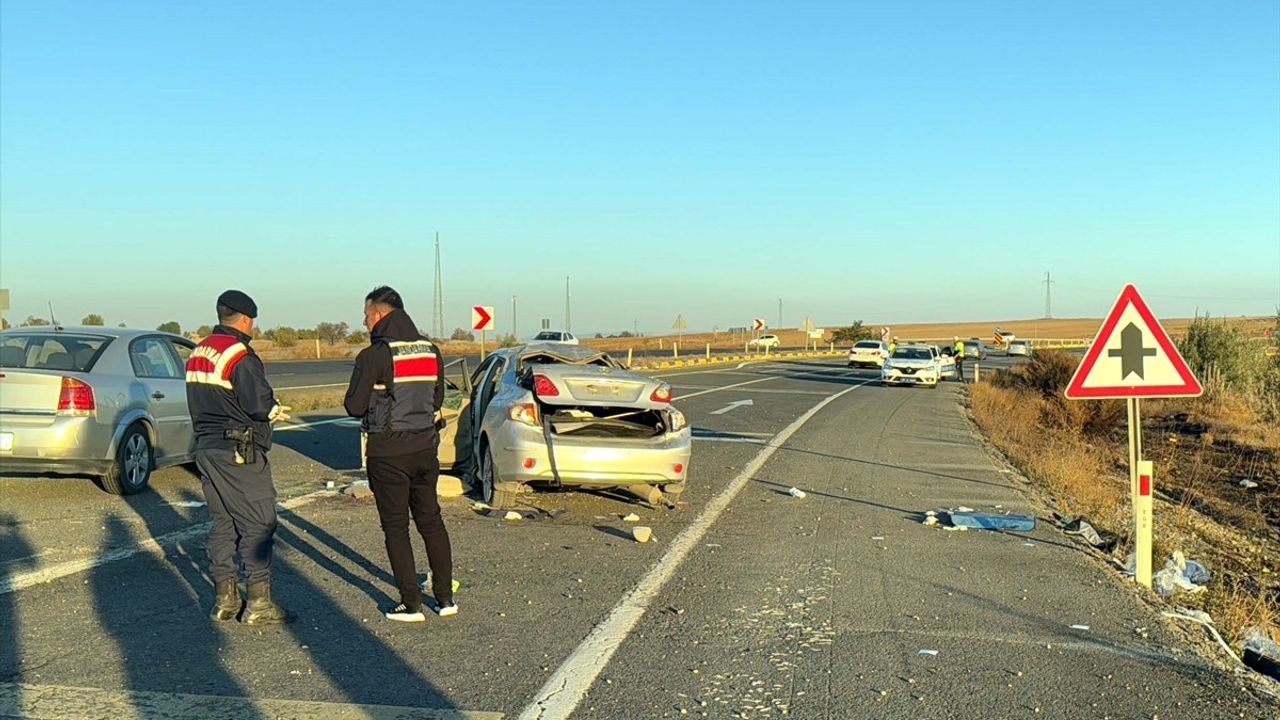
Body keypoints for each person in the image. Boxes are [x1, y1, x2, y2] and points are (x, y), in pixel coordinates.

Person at [344, 286, 455, 622]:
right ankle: (445, 599)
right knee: (431, 521)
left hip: (388, 452)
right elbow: (437, 400)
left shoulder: (374, 355)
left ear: (379, 314)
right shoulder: (430, 350)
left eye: (366, 316)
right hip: (425, 449)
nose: (364, 323)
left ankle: (411, 604)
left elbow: (354, 406)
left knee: (396, 527)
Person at [185, 290, 292, 624]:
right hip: (238, 450)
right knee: (259, 520)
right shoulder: (238, 354)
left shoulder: (199, 350)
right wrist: (275, 411)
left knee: (224, 522)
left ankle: (224, 600)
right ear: (246, 320)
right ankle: (259, 603)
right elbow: (258, 404)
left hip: (206, 448)